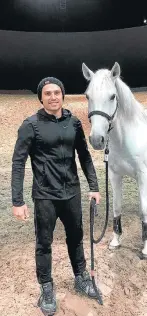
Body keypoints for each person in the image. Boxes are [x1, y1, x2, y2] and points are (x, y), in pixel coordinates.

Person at [11, 77, 101, 315]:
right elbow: (18, 163)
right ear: (41, 98)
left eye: (57, 92)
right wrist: (17, 201)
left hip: (72, 192)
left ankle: (81, 277)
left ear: (63, 95)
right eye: (48, 93)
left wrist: (94, 186)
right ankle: (46, 287)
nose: (53, 97)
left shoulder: (74, 123)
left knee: (76, 237)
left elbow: (84, 156)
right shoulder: (30, 125)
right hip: (45, 196)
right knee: (44, 243)